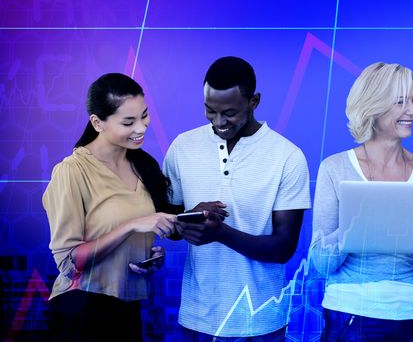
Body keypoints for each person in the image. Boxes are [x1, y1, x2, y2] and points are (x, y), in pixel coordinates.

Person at [163, 56, 311, 341]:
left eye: (229, 113)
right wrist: (186, 219)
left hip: (261, 321)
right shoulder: (182, 147)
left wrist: (220, 233)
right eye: (210, 111)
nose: (219, 122)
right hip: (197, 317)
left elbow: (283, 248)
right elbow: (168, 228)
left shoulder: (287, 157)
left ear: (254, 101)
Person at [308, 62, 413, 341]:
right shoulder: (335, 168)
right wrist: (359, 223)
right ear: (373, 106)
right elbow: (320, 262)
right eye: (401, 102)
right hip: (350, 314)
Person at [43, 73, 176, 341]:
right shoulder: (71, 171)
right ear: (97, 123)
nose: (141, 128)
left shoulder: (144, 166)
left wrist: (148, 254)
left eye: (144, 116)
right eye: (128, 122)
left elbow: (133, 231)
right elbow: (69, 262)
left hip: (128, 309)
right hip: (83, 310)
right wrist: (132, 226)